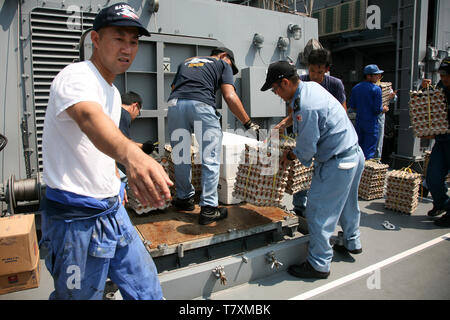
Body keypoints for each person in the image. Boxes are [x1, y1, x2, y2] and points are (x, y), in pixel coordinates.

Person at [39, 3, 173, 300]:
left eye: (134, 41)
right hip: (75, 220)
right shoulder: (76, 76)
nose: (127, 48)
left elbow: (103, 143)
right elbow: (89, 120)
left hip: (112, 211)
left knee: (147, 290)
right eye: (119, 38)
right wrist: (134, 156)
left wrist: (117, 179)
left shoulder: (112, 92)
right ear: (96, 40)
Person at [261, 61, 365, 279]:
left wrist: (288, 156)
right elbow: (310, 112)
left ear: (285, 83)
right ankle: (351, 241)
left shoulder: (305, 107)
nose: (277, 94)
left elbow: (306, 149)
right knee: (348, 202)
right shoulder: (311, 88)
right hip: (354, 154)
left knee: (318, 212)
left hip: (336, 163)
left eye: (275, 89)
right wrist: (286, 122)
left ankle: (318, 265)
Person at [167, 47, 259, 225]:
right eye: (231, 65)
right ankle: (209, 209)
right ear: (225, 56)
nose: (229, 70)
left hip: (175, 105)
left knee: (180, 155)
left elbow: (174, 87)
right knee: (210, 157)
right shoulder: (221, 64)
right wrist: (248, 122)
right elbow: (229, 95)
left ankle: (184, 199)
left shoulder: (186, 62)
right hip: (201, 105)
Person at [274, 48, 347, 217]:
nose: (314, 75)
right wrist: (283, 124)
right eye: (312, 70)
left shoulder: (335, 85)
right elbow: (295, 112)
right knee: (302, 171)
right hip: (308, 134)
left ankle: (319, 212)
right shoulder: (302, 82)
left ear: (327, 69)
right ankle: (300, 207)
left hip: (327, 140)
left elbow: (341, 112)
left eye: (319, 71)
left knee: (322, 179)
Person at [421, 57, 450, 227]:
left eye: (447, 76)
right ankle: (441, 204)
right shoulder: (441, 87)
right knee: (432, 176)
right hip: (442, 140)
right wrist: (424, 89)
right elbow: (426, 103)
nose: (444, 78)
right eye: (442, 75)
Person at [348, 64, 389, 159]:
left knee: (359, 148)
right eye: (376, 75)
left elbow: (353, 106)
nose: (378, 76)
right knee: (369, 151)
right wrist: (384, 109)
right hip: (371, 123)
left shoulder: (356, 88)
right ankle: (366, 171)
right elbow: (376, 109)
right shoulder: (376, 89)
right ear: (368, 76)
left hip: (359, 122)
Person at [117, 91, 156, 176]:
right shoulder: (124, 115)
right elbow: (122, 142)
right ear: (135, 106)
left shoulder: (114, 111)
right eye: (138, 112)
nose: (136, 116)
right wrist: (143, 147)